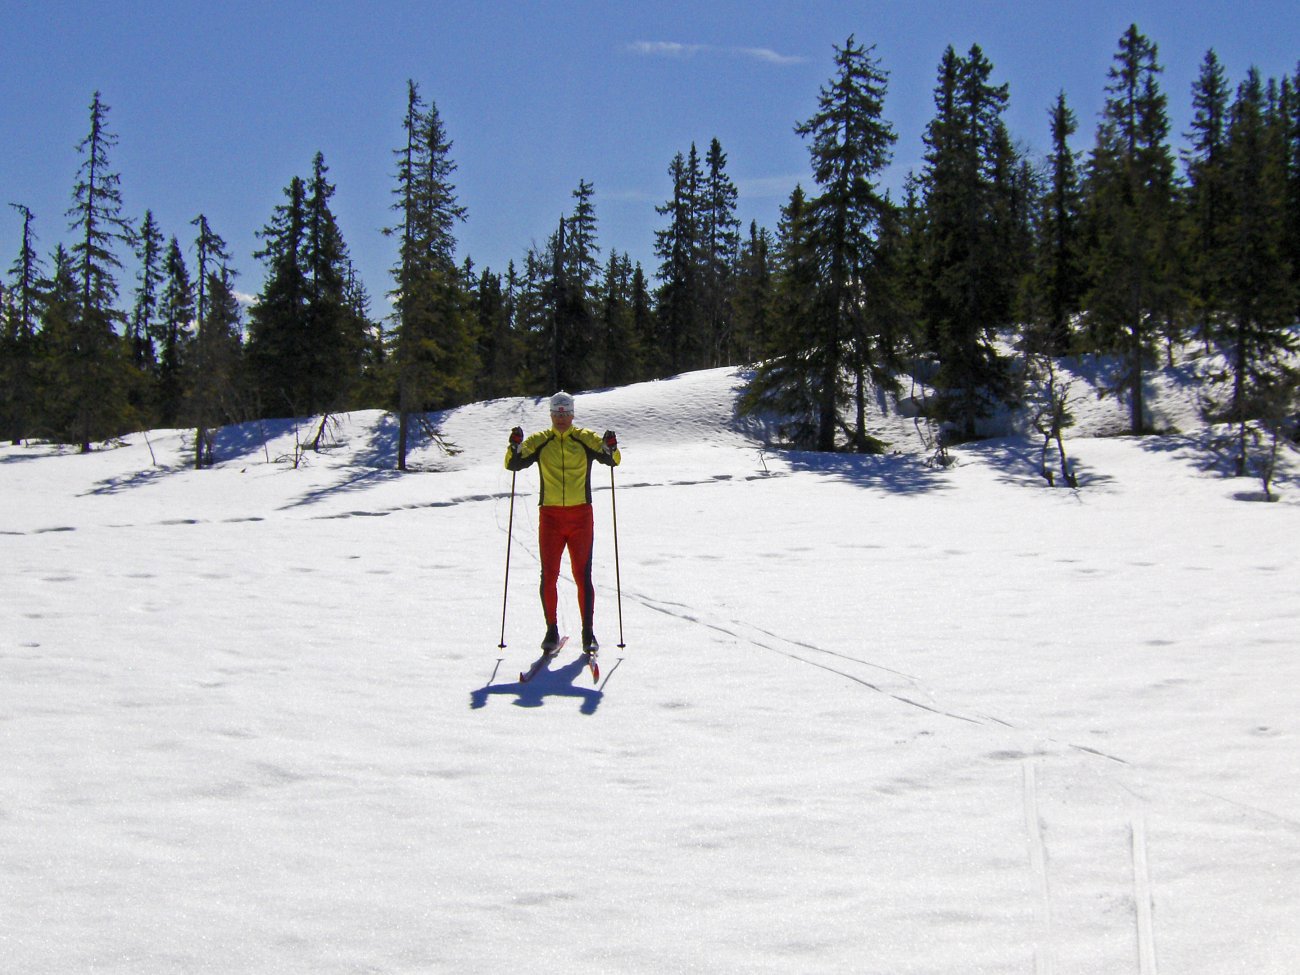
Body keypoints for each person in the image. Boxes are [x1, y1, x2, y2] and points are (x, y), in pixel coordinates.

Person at [505, 391, 620, 655]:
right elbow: (513, 464)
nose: (561, 418)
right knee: (549, 575)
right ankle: (551, 630)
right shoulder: (541, 441)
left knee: (582, 575)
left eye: (565, 413)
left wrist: (611, 446)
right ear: (550, 414)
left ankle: (588, 633)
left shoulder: (584, 438)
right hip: (551, 518)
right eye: (557, 413)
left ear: (572, 414)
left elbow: (612, 460)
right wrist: (514, 446)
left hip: (581, 517)